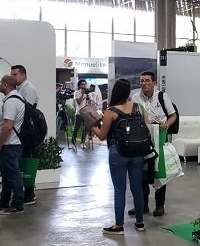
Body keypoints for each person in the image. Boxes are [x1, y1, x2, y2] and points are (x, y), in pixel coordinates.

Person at [91, 78, 146, 235]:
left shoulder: (110, 111)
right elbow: (146, 128)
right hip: (138, 152)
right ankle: (140, 222)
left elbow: (102, 136)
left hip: (118, 153)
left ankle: (119, 226)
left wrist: (94, 126)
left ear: (115, 92)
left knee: (119, 189)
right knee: (137, 189)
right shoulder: (138, 108)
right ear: (128, 92)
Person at [129, 71, 176, 217]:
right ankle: (142, 205)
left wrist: (166, 124)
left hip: (160, 138)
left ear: (153, 83)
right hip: (141, 138)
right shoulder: (135, 97)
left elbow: (173, 115)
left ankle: (160, 205)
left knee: (159, 171)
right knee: (141, 171)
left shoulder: (162, 96)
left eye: (147, 80)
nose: (144, 83)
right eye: (142, 81)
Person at [0, 75, 27, 214]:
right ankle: (4, 200)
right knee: (6, 173)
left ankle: (17, 203)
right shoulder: (17, 98)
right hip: (13, 143)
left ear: (5, 85)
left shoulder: (11, 102)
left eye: (0, 83)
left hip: (11, 144)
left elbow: (8, 126)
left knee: (12, 173)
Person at [9, 64, 39, 205]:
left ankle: (29, 194)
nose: (12, 77)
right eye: (11, 74)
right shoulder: (19, 89)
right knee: (22, 163)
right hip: (21, 133)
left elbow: (28, 112)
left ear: (23, 75)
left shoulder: (29, 89)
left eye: (15, 74)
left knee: (27, 162)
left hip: (27, 134)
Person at [71, 79, 91, 149]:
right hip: (79, 113)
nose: (84, 85)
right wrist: (82, 94)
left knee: (85, 129)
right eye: (82, 84)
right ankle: (73, 143)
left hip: (86, 113)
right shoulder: (76, 93)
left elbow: (89, 103)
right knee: (76, 128)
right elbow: (78, 102)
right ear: (79, 85)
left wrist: (88, 97)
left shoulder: (88, 93)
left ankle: (83, 142)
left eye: (85, 84)